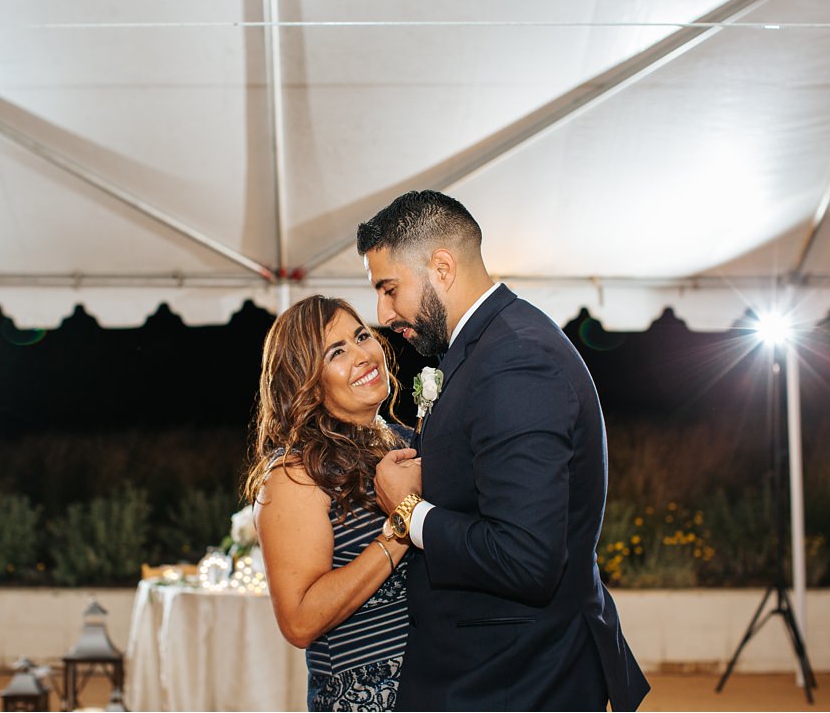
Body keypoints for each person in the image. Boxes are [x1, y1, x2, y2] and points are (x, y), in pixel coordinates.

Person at [356, 190, 650, 713]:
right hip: (492, 667)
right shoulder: (484, 347)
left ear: (441, 267)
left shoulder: (515, 358)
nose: (383, 312)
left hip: (514, 679)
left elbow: (526, 558)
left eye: (389, 288)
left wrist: (408, 511)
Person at [247, 295, 418, 711]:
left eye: (361, 336)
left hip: (439, 686)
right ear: (306, 380)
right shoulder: (295, 474)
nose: (363, 354)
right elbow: (300, 621)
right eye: (337, 352)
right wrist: (405, 520)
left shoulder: (405, 441)